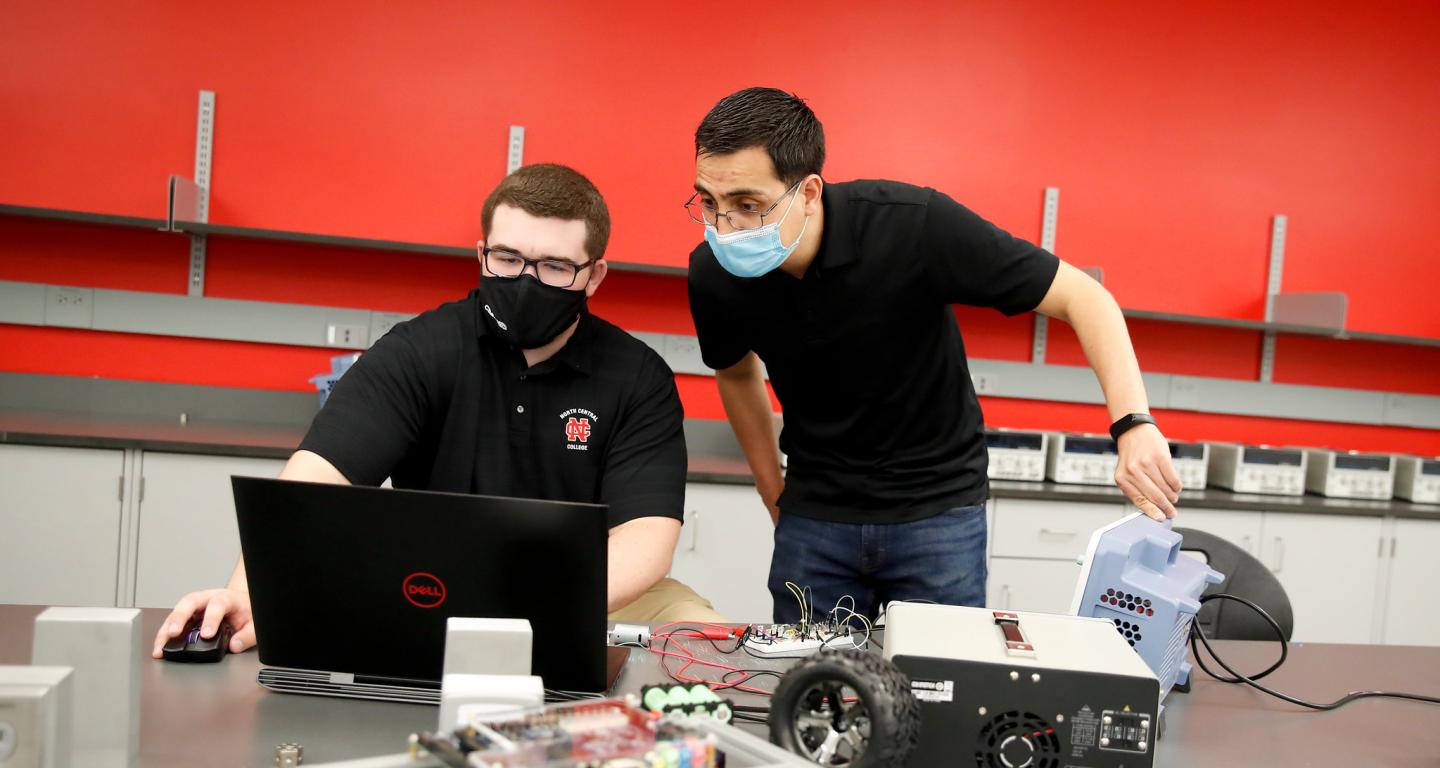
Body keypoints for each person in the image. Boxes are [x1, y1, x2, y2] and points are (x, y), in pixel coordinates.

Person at [154, 163, 723, 659]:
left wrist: (513, 611)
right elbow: (311, 487)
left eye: (554, 267)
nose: (527, 281)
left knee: (710, 647)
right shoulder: (417, 352)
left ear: (593, 275)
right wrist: (242, 594)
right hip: (430, 583)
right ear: (481, 254)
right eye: (508, 258)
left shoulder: (638, 376)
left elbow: (645, 544)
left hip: (591, 589)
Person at [685, 87, 1182, 623]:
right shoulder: (716, 274)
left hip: (938, 517)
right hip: (815, 518)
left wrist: (1132, 423)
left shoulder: (912, 225)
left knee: (939, 692)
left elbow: (1084, 297)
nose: (724, 228)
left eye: (748, 206)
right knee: (812, 695)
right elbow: (735, 375)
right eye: (709, 204)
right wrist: (773, 494)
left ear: (808, 192)